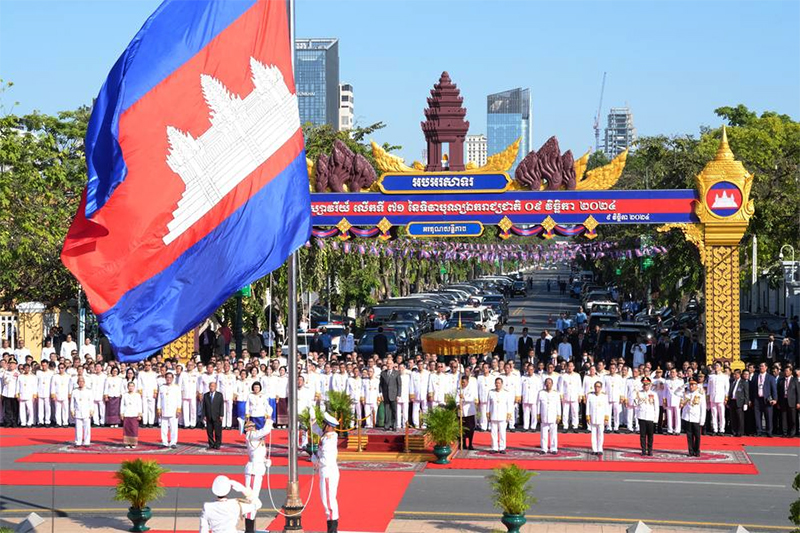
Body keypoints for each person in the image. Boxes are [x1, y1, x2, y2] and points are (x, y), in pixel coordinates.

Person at [312, 412, 341, 533]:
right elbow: (316, 429)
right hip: (326, 471)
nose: (322, 425)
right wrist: (313, 416)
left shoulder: (329, 439)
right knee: (327, 501)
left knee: (329, 502)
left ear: (329, 426)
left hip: (328, 471)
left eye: (324, 423)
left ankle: (332, 530)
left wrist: (314, 458)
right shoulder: (327, 434)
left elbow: (325, 459)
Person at [243, 418, 273, 533]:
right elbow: (264, 431)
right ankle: (249, 530)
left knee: (254, 499)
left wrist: (266, 461)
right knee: (251, 500)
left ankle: (251, 528)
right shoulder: (250, 435)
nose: (254, 429)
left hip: (258, 470)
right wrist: (269, 420)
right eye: (251, 427)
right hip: (253, 471)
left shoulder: (257, 439)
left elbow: (258, 454)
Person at [681, 378, 706, 457]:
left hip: (696, 417)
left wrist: (702, 420)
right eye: (690, 384)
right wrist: (684, 385)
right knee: (689, 435)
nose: (691, 386)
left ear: (696, 385)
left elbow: (703, 407)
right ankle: (690, 451)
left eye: (693, 385)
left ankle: (697, 450)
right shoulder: (685, 393)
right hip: (687, 417)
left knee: (697, 435)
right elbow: (676, 392)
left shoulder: (700, 394)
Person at [752, 362, 777, 437]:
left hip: (767, 399)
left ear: (766, 368)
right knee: (757, 416)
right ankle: (759, 431)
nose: (761, 368)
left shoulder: (770, 377)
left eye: (762, 366)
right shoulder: (755, 377)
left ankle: (769, 432)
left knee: (768, 416)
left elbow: (774, 389)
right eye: (760, 366)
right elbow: (752, 389)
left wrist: (775, 399)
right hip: (757, 399)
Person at [634, 377, 659, 456]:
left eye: (647, 385)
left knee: (650, 435)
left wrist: (656, 418)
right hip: (641, 416)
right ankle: (643, 450)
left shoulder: (653, 394)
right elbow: (635, 404)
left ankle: (650, 449)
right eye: (644, 385)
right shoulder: (639, 393)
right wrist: (635, 397)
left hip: (650, 416)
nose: (645, 386)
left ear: (650, 385)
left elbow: (656, 407)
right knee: (642, 435)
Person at [487, 377, 511, 454]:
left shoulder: (506, 393)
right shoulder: (491, 392)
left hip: (502, 415)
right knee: (493, 433)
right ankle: (494, 447)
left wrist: (508, 415)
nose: (498, 384)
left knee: (502, 432)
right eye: (496, 383)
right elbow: (488, 404)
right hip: (493, 414)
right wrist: (488, 414)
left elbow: (509, 405)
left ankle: (502, 447)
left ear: (502, 384)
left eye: (499, 383)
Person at [157, 371, 181, 448]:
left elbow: (179, 399)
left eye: (170, 377)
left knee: (173, 427)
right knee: (163, 427)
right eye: (167, 377)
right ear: (165, 378)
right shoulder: (162, 387)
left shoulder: (176, 387)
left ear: (173, 378)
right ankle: (164, 442)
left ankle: (173, 442)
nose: (168, 379)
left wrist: (178, 409)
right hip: (164, 409)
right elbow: (159, 399)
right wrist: (159, 409)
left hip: (173, 410)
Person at [537, 377, 561, 454]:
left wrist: (559, 415)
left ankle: (553, 448)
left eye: (550, 383)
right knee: (543, 434)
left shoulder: (556, 393)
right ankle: (544, 448)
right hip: (544, 415)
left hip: (553, 416)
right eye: (547, 383)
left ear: (552, 384)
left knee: (553, 434)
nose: (548, 384)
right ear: (545, 384)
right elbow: (538, 405)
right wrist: (538, 415)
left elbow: (558, 405)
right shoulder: (541, 393)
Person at [586, 381, 609, 456]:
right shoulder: (590, 395)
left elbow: (606, 408)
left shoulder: (604, 396)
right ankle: (594, 449)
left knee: (600, 434)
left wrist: (606, 418)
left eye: (599, 387)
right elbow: (588, 407)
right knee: (593, 434)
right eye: (596, 386)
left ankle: (600, 449)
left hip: (601, 418)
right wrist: (588, 416)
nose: (597, 388)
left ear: (601, 388)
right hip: (593, 417)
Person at [707, 362, 729, 435]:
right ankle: (715, 429)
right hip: (713, 397)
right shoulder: (711, 376)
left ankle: (722, 429)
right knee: (714, 414)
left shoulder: (725, 376)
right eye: (715, 365)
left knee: (721, 414)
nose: (716, 367)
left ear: (721, 367)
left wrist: (726, 398)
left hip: (721, 397)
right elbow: (709, 388)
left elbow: (727, 388)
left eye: (717, 365)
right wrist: (708, 397)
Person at [71, 376, 94, 447]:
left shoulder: (88, 391)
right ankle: (78, 442)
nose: (81, 383)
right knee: (78, 428)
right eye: (79, 381)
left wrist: (91, 410)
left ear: (84, 382)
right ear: (77, 383)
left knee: (87, 428)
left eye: (82, 381)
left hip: (86, 411)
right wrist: (72, 410)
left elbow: (91, 401)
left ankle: (87, 442)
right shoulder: (74, 391)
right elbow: (72, 402)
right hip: (77, 411)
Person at [777, 365, 799, 437]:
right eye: (785, 371)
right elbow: (779, 392)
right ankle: (784, 432)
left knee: (792, 418)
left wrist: (798, 402)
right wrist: (778, 402)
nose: (786, 372)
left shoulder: (795, 380)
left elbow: (798, 392)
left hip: (792, 401)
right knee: (784, 418)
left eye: (787, 371)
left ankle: (792, 432)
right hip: (783, 401)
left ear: (791, 372)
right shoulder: (781, 380)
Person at [121, 381, 143, 449]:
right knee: (127, 429)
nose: (131, 387)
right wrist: (122, 413)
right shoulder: (124, 395)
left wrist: (139, 414)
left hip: (134, 414)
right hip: (127, 413)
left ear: (134, 387)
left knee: (134, 429)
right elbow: (122, 405)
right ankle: (127, 443)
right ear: (127, 387)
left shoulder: (137, 395)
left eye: (132, 386)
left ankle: (133, 443)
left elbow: (139, 405)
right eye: (129, 386)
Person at [458, 375, 477, 449]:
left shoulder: (471, 389)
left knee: (470, 428)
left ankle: (470, 443)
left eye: (464, 382)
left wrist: (464, 397)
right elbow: (456, 398)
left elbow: (471, 398)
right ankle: (463, 443)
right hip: (461, 411)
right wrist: (458, 403)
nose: (463, 384)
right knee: (462, 428)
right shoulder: (459, 389)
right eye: (462, 382)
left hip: (469, 412)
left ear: (468, 382)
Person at [203, 381, 224, 449]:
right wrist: (204, 415)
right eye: (210, 386)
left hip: (217, 416)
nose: (212, 387)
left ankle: (218, 444)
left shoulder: (219, 395)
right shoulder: (206, 395)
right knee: (209, 432)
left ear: (215, 387)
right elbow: (204, 406)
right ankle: (211, 444)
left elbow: (222, 405)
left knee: (218, 432)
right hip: (209, 416)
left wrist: (221, 415)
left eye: (213, 386)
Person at [380, 360, 400, 431]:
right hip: (385, 394)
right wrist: (381, 394)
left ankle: (394, 425)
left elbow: (399, 385)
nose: (389, 365)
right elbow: (381, 385)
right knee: (387, 410)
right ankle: (387, 425)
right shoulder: (383, 373)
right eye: (387, 363)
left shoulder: (396, 373)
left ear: (393, 364)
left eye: (390, 363)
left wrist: (398, 395)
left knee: (394, 411)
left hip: (394, 394)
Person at [728, 369, 749, 437]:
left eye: (736, 374)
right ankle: (734, 431)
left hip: (739, 402)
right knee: (733, 417)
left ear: (739, 374)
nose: (734, 375)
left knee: (740, 418)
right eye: (734, 374)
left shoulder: (743, 382)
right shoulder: (733, 382)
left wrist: (746, 403)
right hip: (732, 401)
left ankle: (740, 432)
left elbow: (746, 393)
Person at [520, 364, 541, 432]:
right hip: (525, 397)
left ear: (534, 370)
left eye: (531, 369)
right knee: (526, 413)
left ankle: (533, 426)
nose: (530, 371)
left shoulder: (537, 378)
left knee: (534, 414)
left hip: (534, 398)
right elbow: (520, 388)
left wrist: (539, 398)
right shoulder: (523, 377)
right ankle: (526, 426)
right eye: (528, 369)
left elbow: (539, 389)